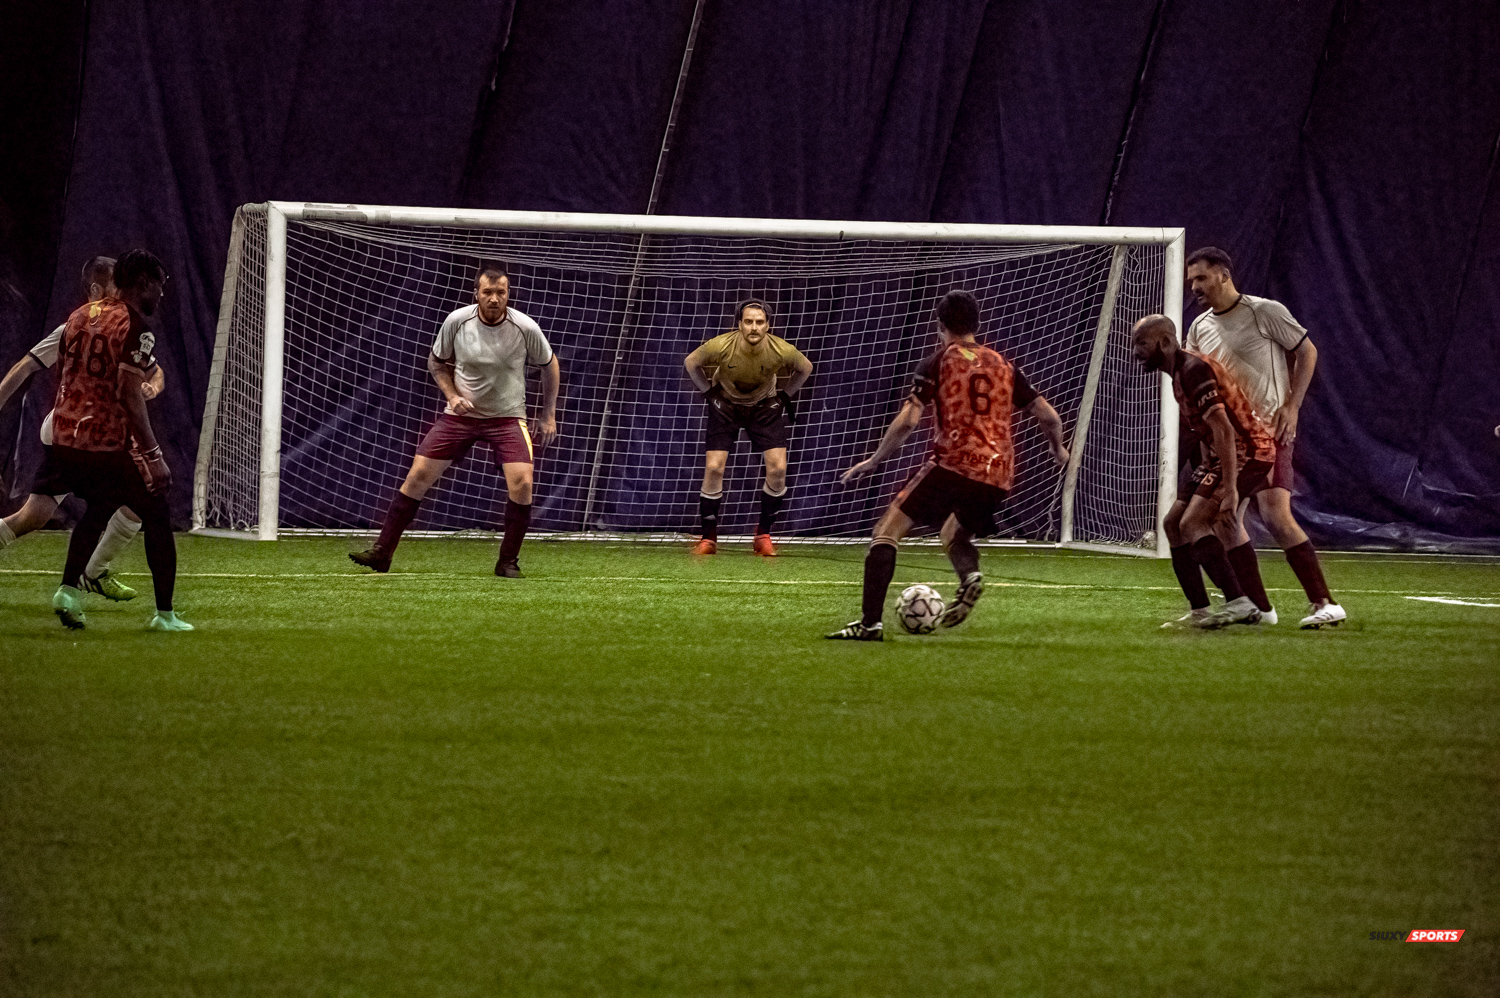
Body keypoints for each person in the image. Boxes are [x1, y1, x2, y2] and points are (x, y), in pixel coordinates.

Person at [827, 290, 1068, 641]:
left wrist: (875, 459)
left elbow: (909, 420)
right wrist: (1058, 450)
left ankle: (869, 624)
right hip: (998, 473)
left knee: (886, 532)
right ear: (976, 324)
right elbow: (1049, 416)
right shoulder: (1004, 365)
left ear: (940, 326)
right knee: (953, 534)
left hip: (953, 463)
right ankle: (969, 576)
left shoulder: (939, 361)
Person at [350, 261, 559, 577]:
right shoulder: (457, 321)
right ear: (476, 293)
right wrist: (452, 396)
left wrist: (548, 415)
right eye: (487, 292)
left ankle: (507, 562)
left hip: (507, 418)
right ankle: (382, 553)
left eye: (500, 292)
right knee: (418, 475)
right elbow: (436, 363)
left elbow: (550, 364)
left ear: (508, 294)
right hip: (459, 418)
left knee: (523, 483)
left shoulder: (525, 328)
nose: (494, 298)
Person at [1182, 247, 1345, 629]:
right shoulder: (1199, 327)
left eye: (1201, 278)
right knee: (1227, 522)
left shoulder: (1263, 311)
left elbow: (1307, 351)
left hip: (1268, 433)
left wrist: (1292, 406)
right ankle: (1260, 608)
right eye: (1191, 280)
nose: (1195, 287)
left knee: (1272, 514)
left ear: (1224, 274)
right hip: (1229, 441)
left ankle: (1323, 602)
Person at [0, 255, 163, 600]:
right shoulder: (76, 325)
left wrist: (150, 386)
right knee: (138, 498)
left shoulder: (121, 326)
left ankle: (86, 577)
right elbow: (24, 367)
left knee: (33, 517)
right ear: (96, 289)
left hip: (77, 434)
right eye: (116, 286)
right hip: (83, 434)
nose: (121, 293)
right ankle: (90, 576)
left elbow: (154, 371)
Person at [42, 248, 187, 630]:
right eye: (160, 285)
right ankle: (165, 615)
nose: (161, 294)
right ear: (143, 283)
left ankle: (68, 591)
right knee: (156, 508)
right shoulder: (136, 327)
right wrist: (153, 455)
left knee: (102, 503)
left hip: (64, 438)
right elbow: (127, 393)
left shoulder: (78, 315)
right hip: (102, 442)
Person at [1133, 314, 1272, 629]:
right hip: (1221, 457)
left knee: (1194, 522)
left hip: (1247, 452)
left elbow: (1223, 431)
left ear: (1166, 342)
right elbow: (1207, 433)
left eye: (1142, 343)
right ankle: (1200, 611)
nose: (1135, 352)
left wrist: (1231, 490)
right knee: (1173, 525)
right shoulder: (1179, 374)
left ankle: (1240, 603)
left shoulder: (1194, 370)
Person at [683, 299, 813, 556]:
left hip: (764, 408)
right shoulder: (720, 345)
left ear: (768, 326)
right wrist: (710, 394)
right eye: (748, 322)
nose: (754, 327)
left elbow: (805, 368)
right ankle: (708, 538)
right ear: (739, 324)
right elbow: (691, 363)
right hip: (726, 407)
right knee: (713, 468)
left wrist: (783, 399)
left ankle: (763, 535)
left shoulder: (782, 350)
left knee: (778, 469)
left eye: (760, 322)